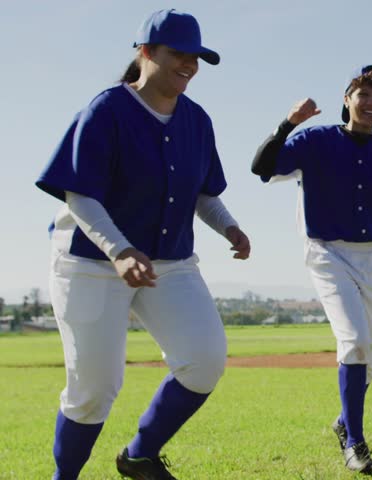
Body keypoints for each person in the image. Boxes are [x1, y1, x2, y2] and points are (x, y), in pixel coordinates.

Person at [35, 9, 250, 480]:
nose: (189, 65)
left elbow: (203, 193)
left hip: (169, 261)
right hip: (91, 260)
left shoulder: (197, 120)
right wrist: (118, 250)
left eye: (196, 57)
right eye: (178, 54)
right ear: (146, 52)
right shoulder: (107, 109)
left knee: (205, 359)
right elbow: (80, 194)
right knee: (94, 389)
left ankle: (138, 456)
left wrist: (229, 227)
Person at [251, 65, 372, 474]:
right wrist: (288, 123)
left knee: (367, 359)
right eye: (364, 94)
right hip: (327, 253)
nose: (371, 103)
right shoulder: (315, 140)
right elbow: (262, 167)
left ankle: (344, 422)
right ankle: (355, 443)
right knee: (354, 341)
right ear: (347, 98)